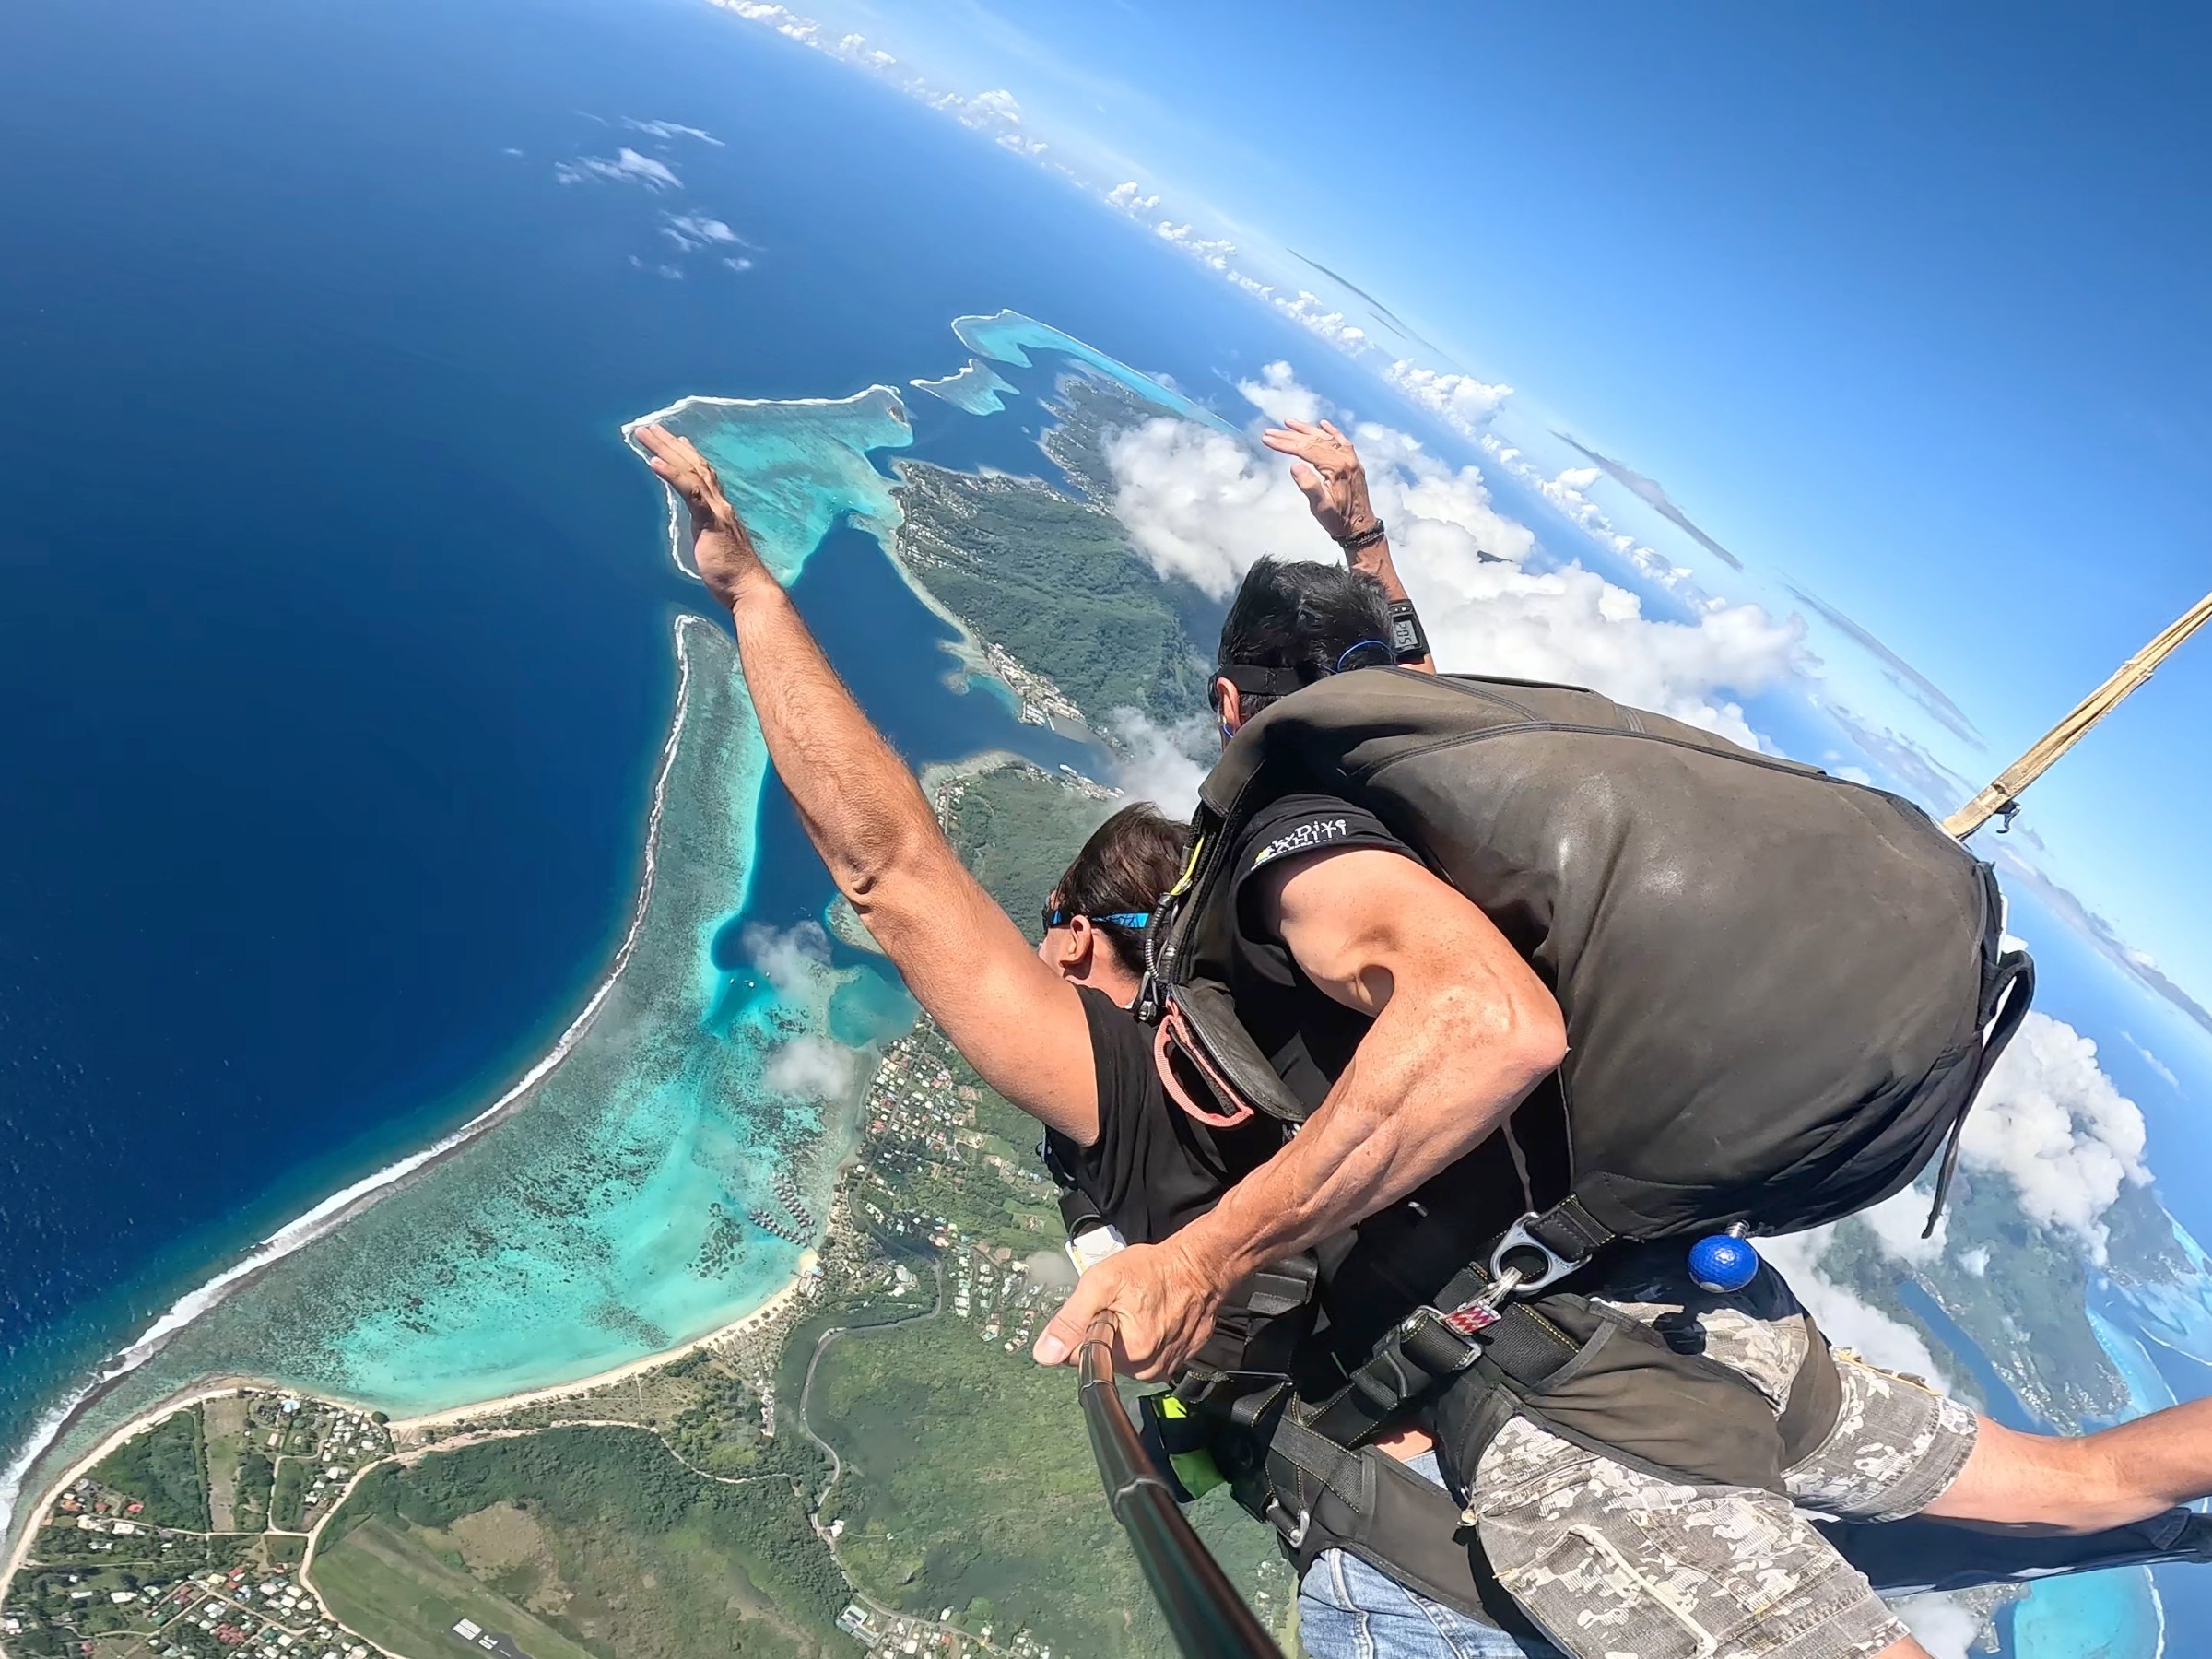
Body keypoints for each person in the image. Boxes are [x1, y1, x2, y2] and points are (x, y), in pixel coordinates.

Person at [633, 419, 2212, 1659]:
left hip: (1528, 1460)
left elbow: (894, 873)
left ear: (1106, 949)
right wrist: (1369, 548)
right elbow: (1466, 783)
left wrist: (754, 596)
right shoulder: (1348, 929)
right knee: (2099, 1482)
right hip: (1711, 1328)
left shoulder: (1126, 1091)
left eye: (1057, 925)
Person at [1031, 540, 2212, 1659]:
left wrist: (1199, 1261)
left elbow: (1488, 1026)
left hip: (1564, 1408)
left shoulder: (1283, 868)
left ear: (1231, 707)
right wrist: (1367, 538)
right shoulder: (1443, 819)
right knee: (2089, 1484)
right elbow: (1431, 701)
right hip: (1697, 1301)